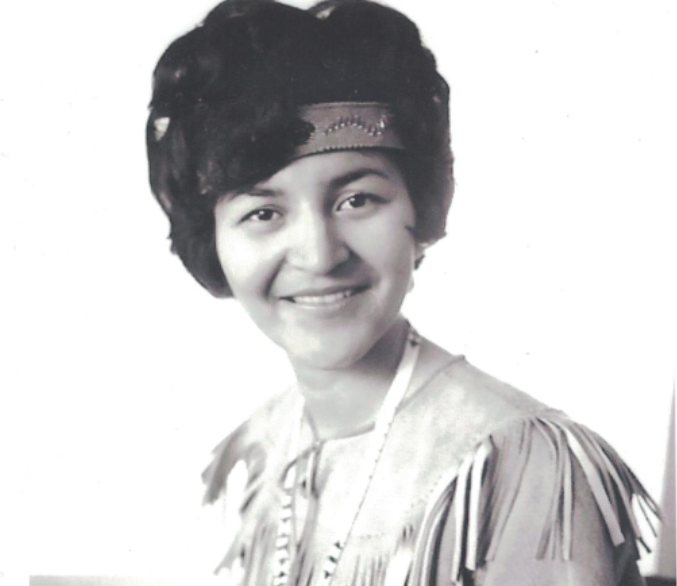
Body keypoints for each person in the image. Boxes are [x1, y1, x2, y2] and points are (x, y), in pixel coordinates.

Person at [145, 0, 658, 584]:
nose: (319, 254)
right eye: (264, 212)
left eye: (357, 200)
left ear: (421, 206)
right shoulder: (262, 447)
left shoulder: (519, 463)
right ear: (211, 240)